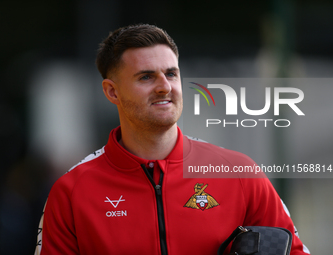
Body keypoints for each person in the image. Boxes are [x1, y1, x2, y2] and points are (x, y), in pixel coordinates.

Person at [35, 24, 310, 255]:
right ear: (112, 92)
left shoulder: (239, 172)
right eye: (146, 77)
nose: (164, 87)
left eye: (171, 73)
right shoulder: (71, 192)